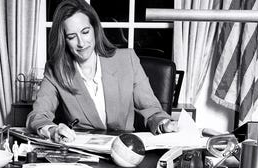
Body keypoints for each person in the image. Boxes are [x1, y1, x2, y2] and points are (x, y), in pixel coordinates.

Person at [26, 0, 178, 144]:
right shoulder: (55, 70)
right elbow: (38, 116)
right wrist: (52, 130)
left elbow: (151, 110)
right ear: (63, 40)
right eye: (72, 37)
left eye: (85, 32)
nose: (81, 43)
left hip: (125, 152)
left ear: (95, 28)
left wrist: (163, 124)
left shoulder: (127, 60)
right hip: (83, 156)